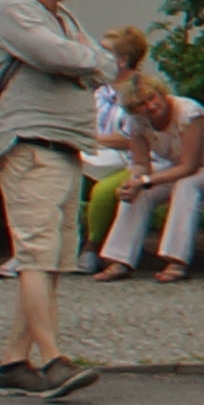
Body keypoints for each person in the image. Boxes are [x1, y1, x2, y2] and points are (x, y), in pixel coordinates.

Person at [0, 0, 116, 400]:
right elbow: (56, 55)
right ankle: (53, 360)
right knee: (36, 254)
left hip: (64, 148)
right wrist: (86, 61)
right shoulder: (11, 9)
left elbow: (104, 65)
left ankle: (13, 363)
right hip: (30, 145)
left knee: (52, 260)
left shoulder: (63, 16)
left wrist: (85, 61)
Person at [101, 77, 204, 283]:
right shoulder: (136, 122)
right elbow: (141, 163)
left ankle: (177, 259)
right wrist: (134, 182)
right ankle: (119, 259)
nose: (151, 106)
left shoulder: (188, 113)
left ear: (161, 93)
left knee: (187, 184)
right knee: (141, 192)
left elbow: (188, 166)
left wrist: (145, 180)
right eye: (142, 104)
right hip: (183, 167)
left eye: (152, 98)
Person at [73, 23, 148, 277]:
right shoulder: (98, 89)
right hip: (93, 155)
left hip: (132, 161)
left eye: (104, 52)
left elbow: (132, 139)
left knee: (104, 191)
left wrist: (93, 138)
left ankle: (91, 248)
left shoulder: (140, 91)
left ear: (122, 60)